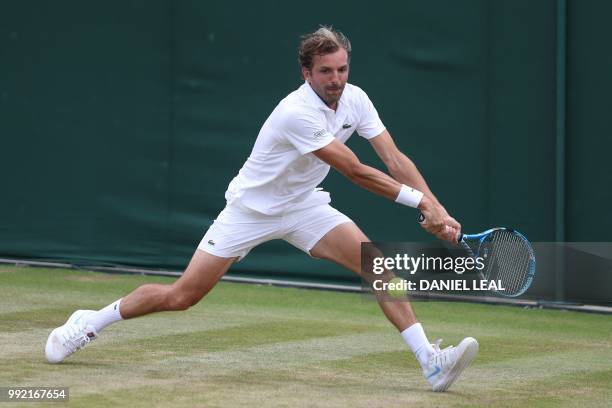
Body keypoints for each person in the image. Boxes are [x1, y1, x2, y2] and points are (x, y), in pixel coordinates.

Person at [45, 26, 478, 392]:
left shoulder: (356, 100)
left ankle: (430, 361)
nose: (336, 79)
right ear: (306, 72)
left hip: (305, 205)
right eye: (325, 71)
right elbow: (354, 170)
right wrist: (420, 202)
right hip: (250, 210)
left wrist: (437, 207)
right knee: (183, 296)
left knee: (379, 268)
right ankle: (89, 322)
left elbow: (394, 159)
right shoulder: (296, 113)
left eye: (342, 69)